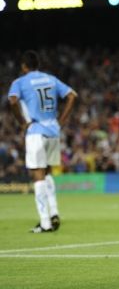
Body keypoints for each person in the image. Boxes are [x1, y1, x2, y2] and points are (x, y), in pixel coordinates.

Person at [8, 50, 77, 233]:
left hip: (36, 131)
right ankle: (54, 213)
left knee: (36, 174)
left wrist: (22, 123)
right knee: (46, 172)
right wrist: (61, 121)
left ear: (24, 66)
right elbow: (72, 96)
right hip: (53, 130)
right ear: (37, 64)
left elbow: (13, 101)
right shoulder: (51, 79)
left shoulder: (20, 82)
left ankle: (45, 222)